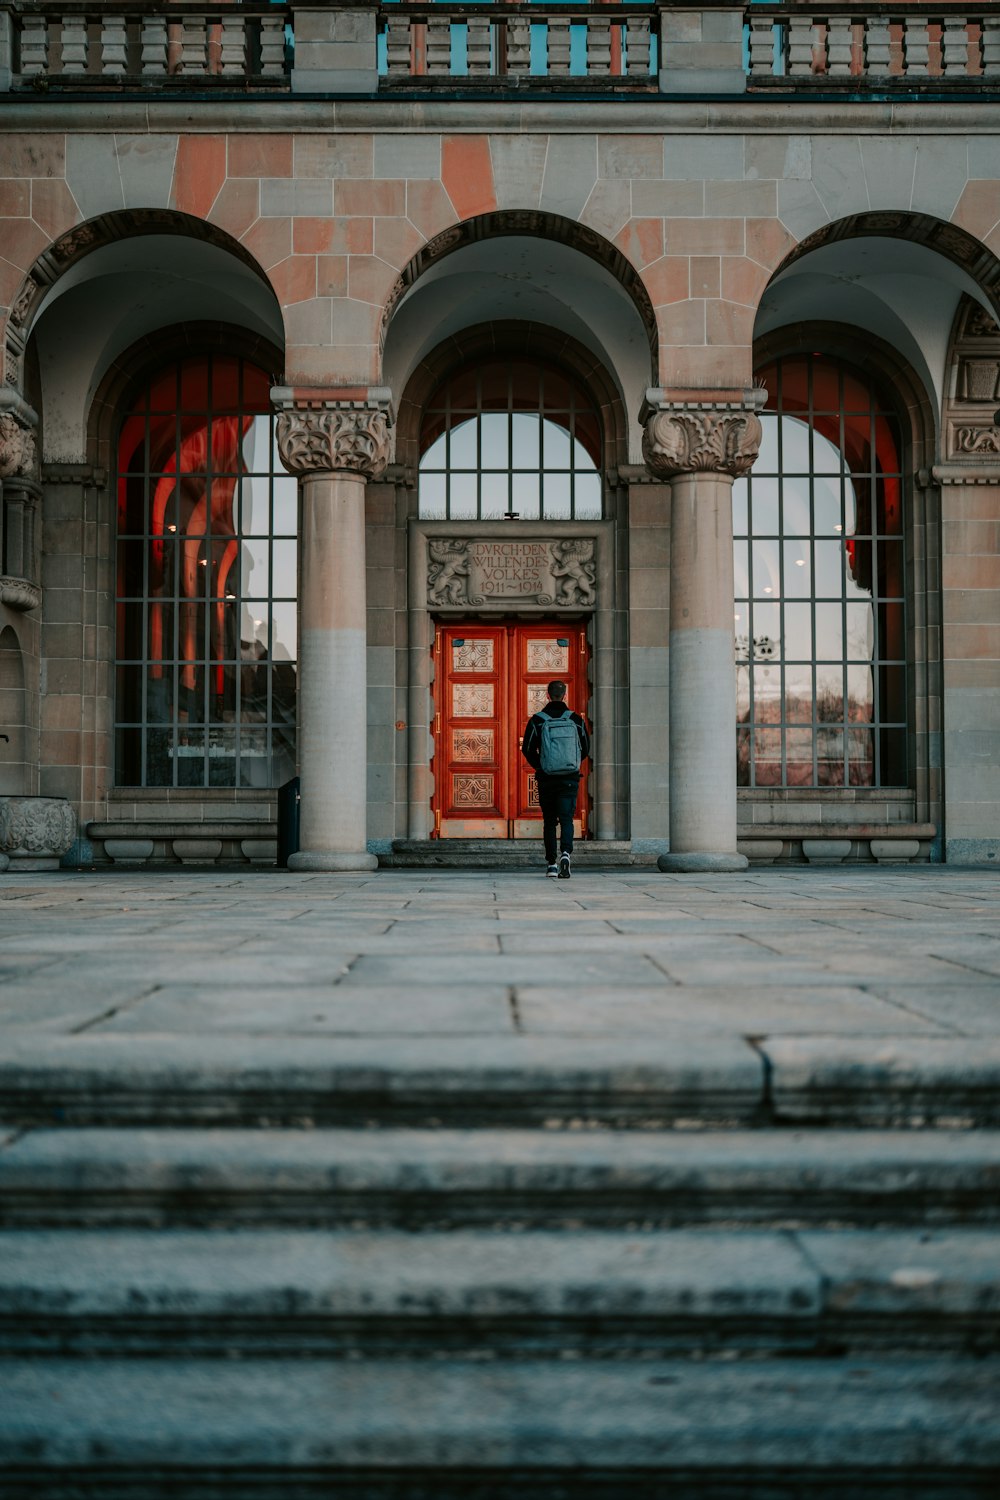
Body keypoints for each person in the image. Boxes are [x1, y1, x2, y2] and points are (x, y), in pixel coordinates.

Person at [521, 680, 590, 879]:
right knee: (567, 819)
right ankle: (566, 854)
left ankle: (551, 864)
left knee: (549, 821)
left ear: (547, 696)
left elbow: (527, 749)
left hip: (547, 778)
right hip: (569, 777)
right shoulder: (575, 720)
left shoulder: (537, 720)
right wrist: (571, 764)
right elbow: (585, 748)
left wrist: (542, 765)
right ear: (565, 696)